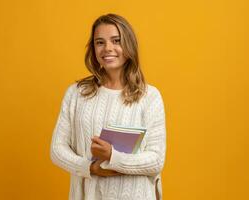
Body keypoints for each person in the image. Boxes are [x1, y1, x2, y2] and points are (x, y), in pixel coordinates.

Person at [50, 13, 166, 200]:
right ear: (93, 48)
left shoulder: (150, 97)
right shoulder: (77, 93)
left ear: (129, 45)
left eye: (116, 40)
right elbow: (57, 149)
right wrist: (89, 168)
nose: (108, 49)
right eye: (100, 42)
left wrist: (113, 157)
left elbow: (156, 160)